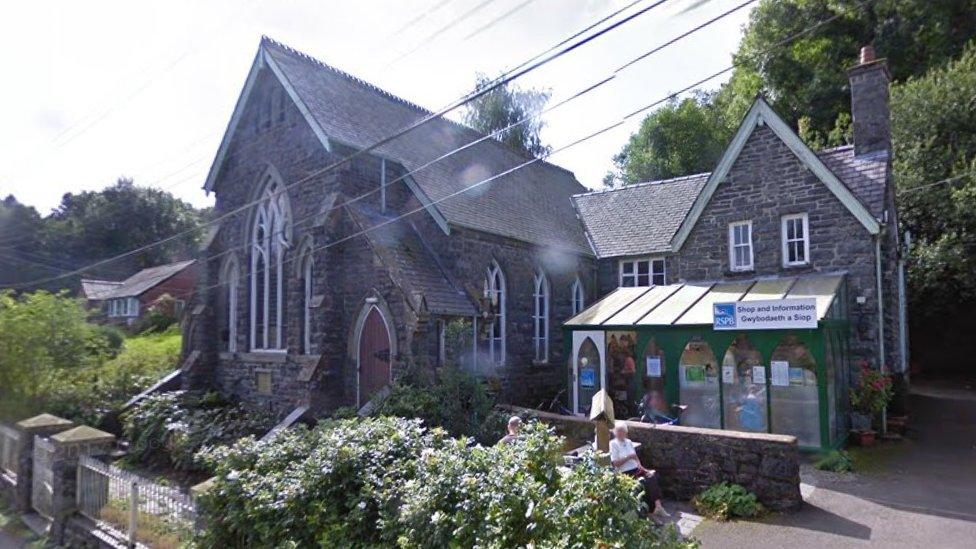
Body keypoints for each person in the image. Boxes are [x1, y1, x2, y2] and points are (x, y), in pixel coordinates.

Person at [609, 420, 669, 517]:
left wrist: (644, 469)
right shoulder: (613, 444)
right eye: (618, 431)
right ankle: (650, 511)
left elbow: (636, 457)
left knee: (651, 476)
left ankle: (658, 507)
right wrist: (628, 457)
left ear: (625, 432)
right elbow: (615, 463)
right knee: (644, 482)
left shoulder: (628, 442)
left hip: (636, 469)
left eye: (622, 431)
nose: (620, 433)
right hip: (624, 472)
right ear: (615, 432)